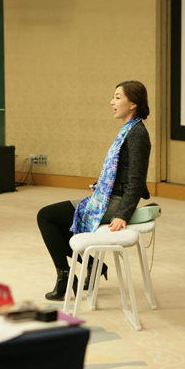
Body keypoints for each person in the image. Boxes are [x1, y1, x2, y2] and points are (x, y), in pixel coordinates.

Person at [37, 81, 151, 301]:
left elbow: (136, 181)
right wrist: (101, 185)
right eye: (113, 97)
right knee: (53, 221)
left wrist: (122, 214)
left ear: (133, 103)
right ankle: (91, 266)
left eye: (118, 97)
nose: (112, 102)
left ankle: (66, 277)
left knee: (46, 216)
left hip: (116, 202)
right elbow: (122, 171)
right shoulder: (129, 129)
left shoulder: (138, 133)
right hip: (107, 196)